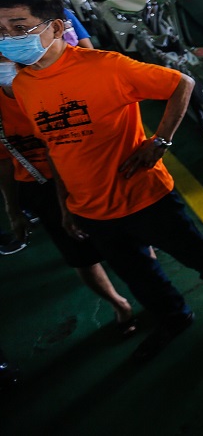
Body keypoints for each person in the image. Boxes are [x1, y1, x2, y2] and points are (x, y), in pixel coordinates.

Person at [0, 0, 203, 361]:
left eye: (19, 28)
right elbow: (54, 146)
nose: (8, 39)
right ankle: (174, 317)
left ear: (56, 27)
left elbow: (182, 83)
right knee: (138, 275)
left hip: (145, 197)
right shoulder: (22, 85)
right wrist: (66, 205)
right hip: (91, 210)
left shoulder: (106, 66)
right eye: (0, 31)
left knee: (201, 258)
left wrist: (160, 141)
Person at [0, 56, 137, 336]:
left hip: (86, 171)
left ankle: (153, 292)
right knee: (80, 256)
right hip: (41, 187)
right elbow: (3, 162)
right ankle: (120, 305)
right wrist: (13, 211)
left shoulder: (51, 85)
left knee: (129, 238)